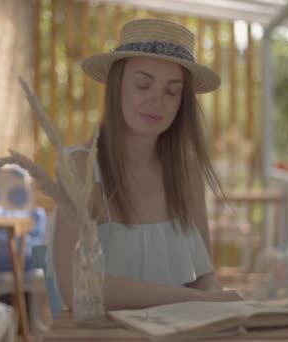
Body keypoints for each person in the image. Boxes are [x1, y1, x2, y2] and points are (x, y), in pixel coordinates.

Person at [53, 18, 242, 310]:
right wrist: (190, 297)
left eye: (172, 91)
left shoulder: (187, 172)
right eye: (143, 85)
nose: (157, 100)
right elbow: (75, 289)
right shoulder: (79, 168)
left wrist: (217, 301)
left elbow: (204, 278)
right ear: (117, 87)